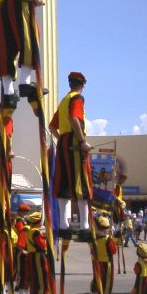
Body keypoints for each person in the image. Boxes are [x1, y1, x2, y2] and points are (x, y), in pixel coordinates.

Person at [49, 72, 93, 242]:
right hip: (75, 142)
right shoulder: (77, 99)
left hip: (63, 144)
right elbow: (75, 119)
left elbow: (52, 127)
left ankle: (63, 226)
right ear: (81, 85)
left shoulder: (63, 101)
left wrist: (62, 140)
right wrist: (82, 141)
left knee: (63, 184)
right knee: (81, 184)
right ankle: (84, 227)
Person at [88, 216, 116, 294]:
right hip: (106, 263)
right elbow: (113, 251)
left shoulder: (92, 238)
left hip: (95, 262)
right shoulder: (108, 239)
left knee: (96, 282)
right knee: (106, 284)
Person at [26, 211, 49, 294]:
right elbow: (42, 246)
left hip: (33, 256)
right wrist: (47, 238)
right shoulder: (35, 232)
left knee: (35, 281)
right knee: (42, 281)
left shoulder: (32, 230)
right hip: (38, 257)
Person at [14, 203, 31, 294]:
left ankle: (25, 293)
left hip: (23, 246)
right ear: (21, 212)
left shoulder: (21, 220)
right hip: (21, 247)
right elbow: (21, 233)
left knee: (26, 273)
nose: (26, 213)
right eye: (25, 212)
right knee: (22, 272)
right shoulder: (19, 221)